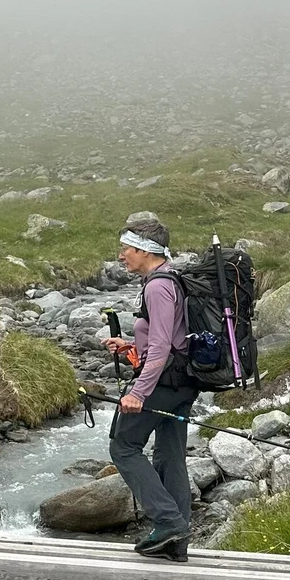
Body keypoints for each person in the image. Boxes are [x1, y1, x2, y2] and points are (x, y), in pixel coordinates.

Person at [101, 220, 194, 562]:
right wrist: (129, 345)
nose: (121, 255)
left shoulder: (157, 287)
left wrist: (138, 392)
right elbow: (170, 337)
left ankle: (169, 522)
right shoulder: (171, 278)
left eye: (126, 248)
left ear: (144, 250)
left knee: (124, 447)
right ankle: (176, 545)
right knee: (170, 455)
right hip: (183, 383)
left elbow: (161, 348)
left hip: (165, 383)